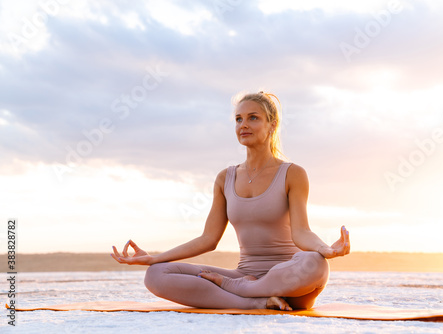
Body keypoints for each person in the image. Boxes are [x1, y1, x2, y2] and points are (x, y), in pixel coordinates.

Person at [111, 91, 350, 311]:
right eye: (238, 119)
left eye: (253, 118)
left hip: (287, 280)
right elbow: (208, 239)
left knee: (315, 263)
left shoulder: (293, 173)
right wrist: (153, 258)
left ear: (272, 125)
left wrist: (325, 249)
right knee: (156, 274)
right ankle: (258, 302)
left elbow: (302, 233)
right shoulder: (225, 178)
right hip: (244, 275)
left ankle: (242, 291)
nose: (243, 125)